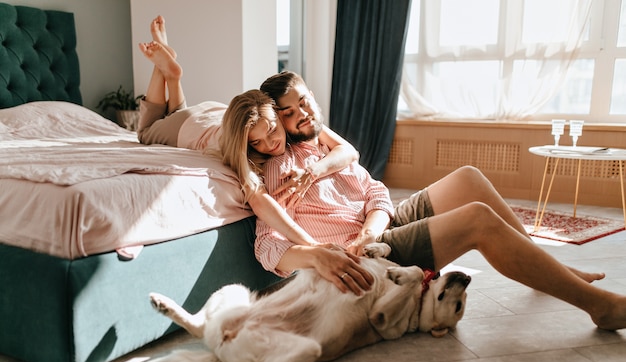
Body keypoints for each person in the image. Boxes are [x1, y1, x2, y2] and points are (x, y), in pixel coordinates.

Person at [254, 70, 626, 331]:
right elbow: (267, 243)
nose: (302, 114)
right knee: (477, 219)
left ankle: (541, 264)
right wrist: (324, 253)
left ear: (312, 97)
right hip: (374, 254)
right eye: (288, 113)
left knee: (468, 177)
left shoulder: (325, 143)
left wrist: (373, 224)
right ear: (276, 121)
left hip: (379, 226)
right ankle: (600, 307)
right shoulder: (280, 169)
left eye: (303, 103)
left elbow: (375, 191)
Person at [134, 17, 372, 290]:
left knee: (176, 111)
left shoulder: (285, 116)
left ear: (277, 115)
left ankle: (172, 74)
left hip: (214, 112)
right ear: (247, 143)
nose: (270, 144)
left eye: (272, 130)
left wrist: (312, 172)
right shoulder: (241, 145)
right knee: (146, 131)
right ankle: (166, 72)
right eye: (256, 143)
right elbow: (259, 202)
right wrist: (312, 245)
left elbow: (349, 151)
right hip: (189, 127)